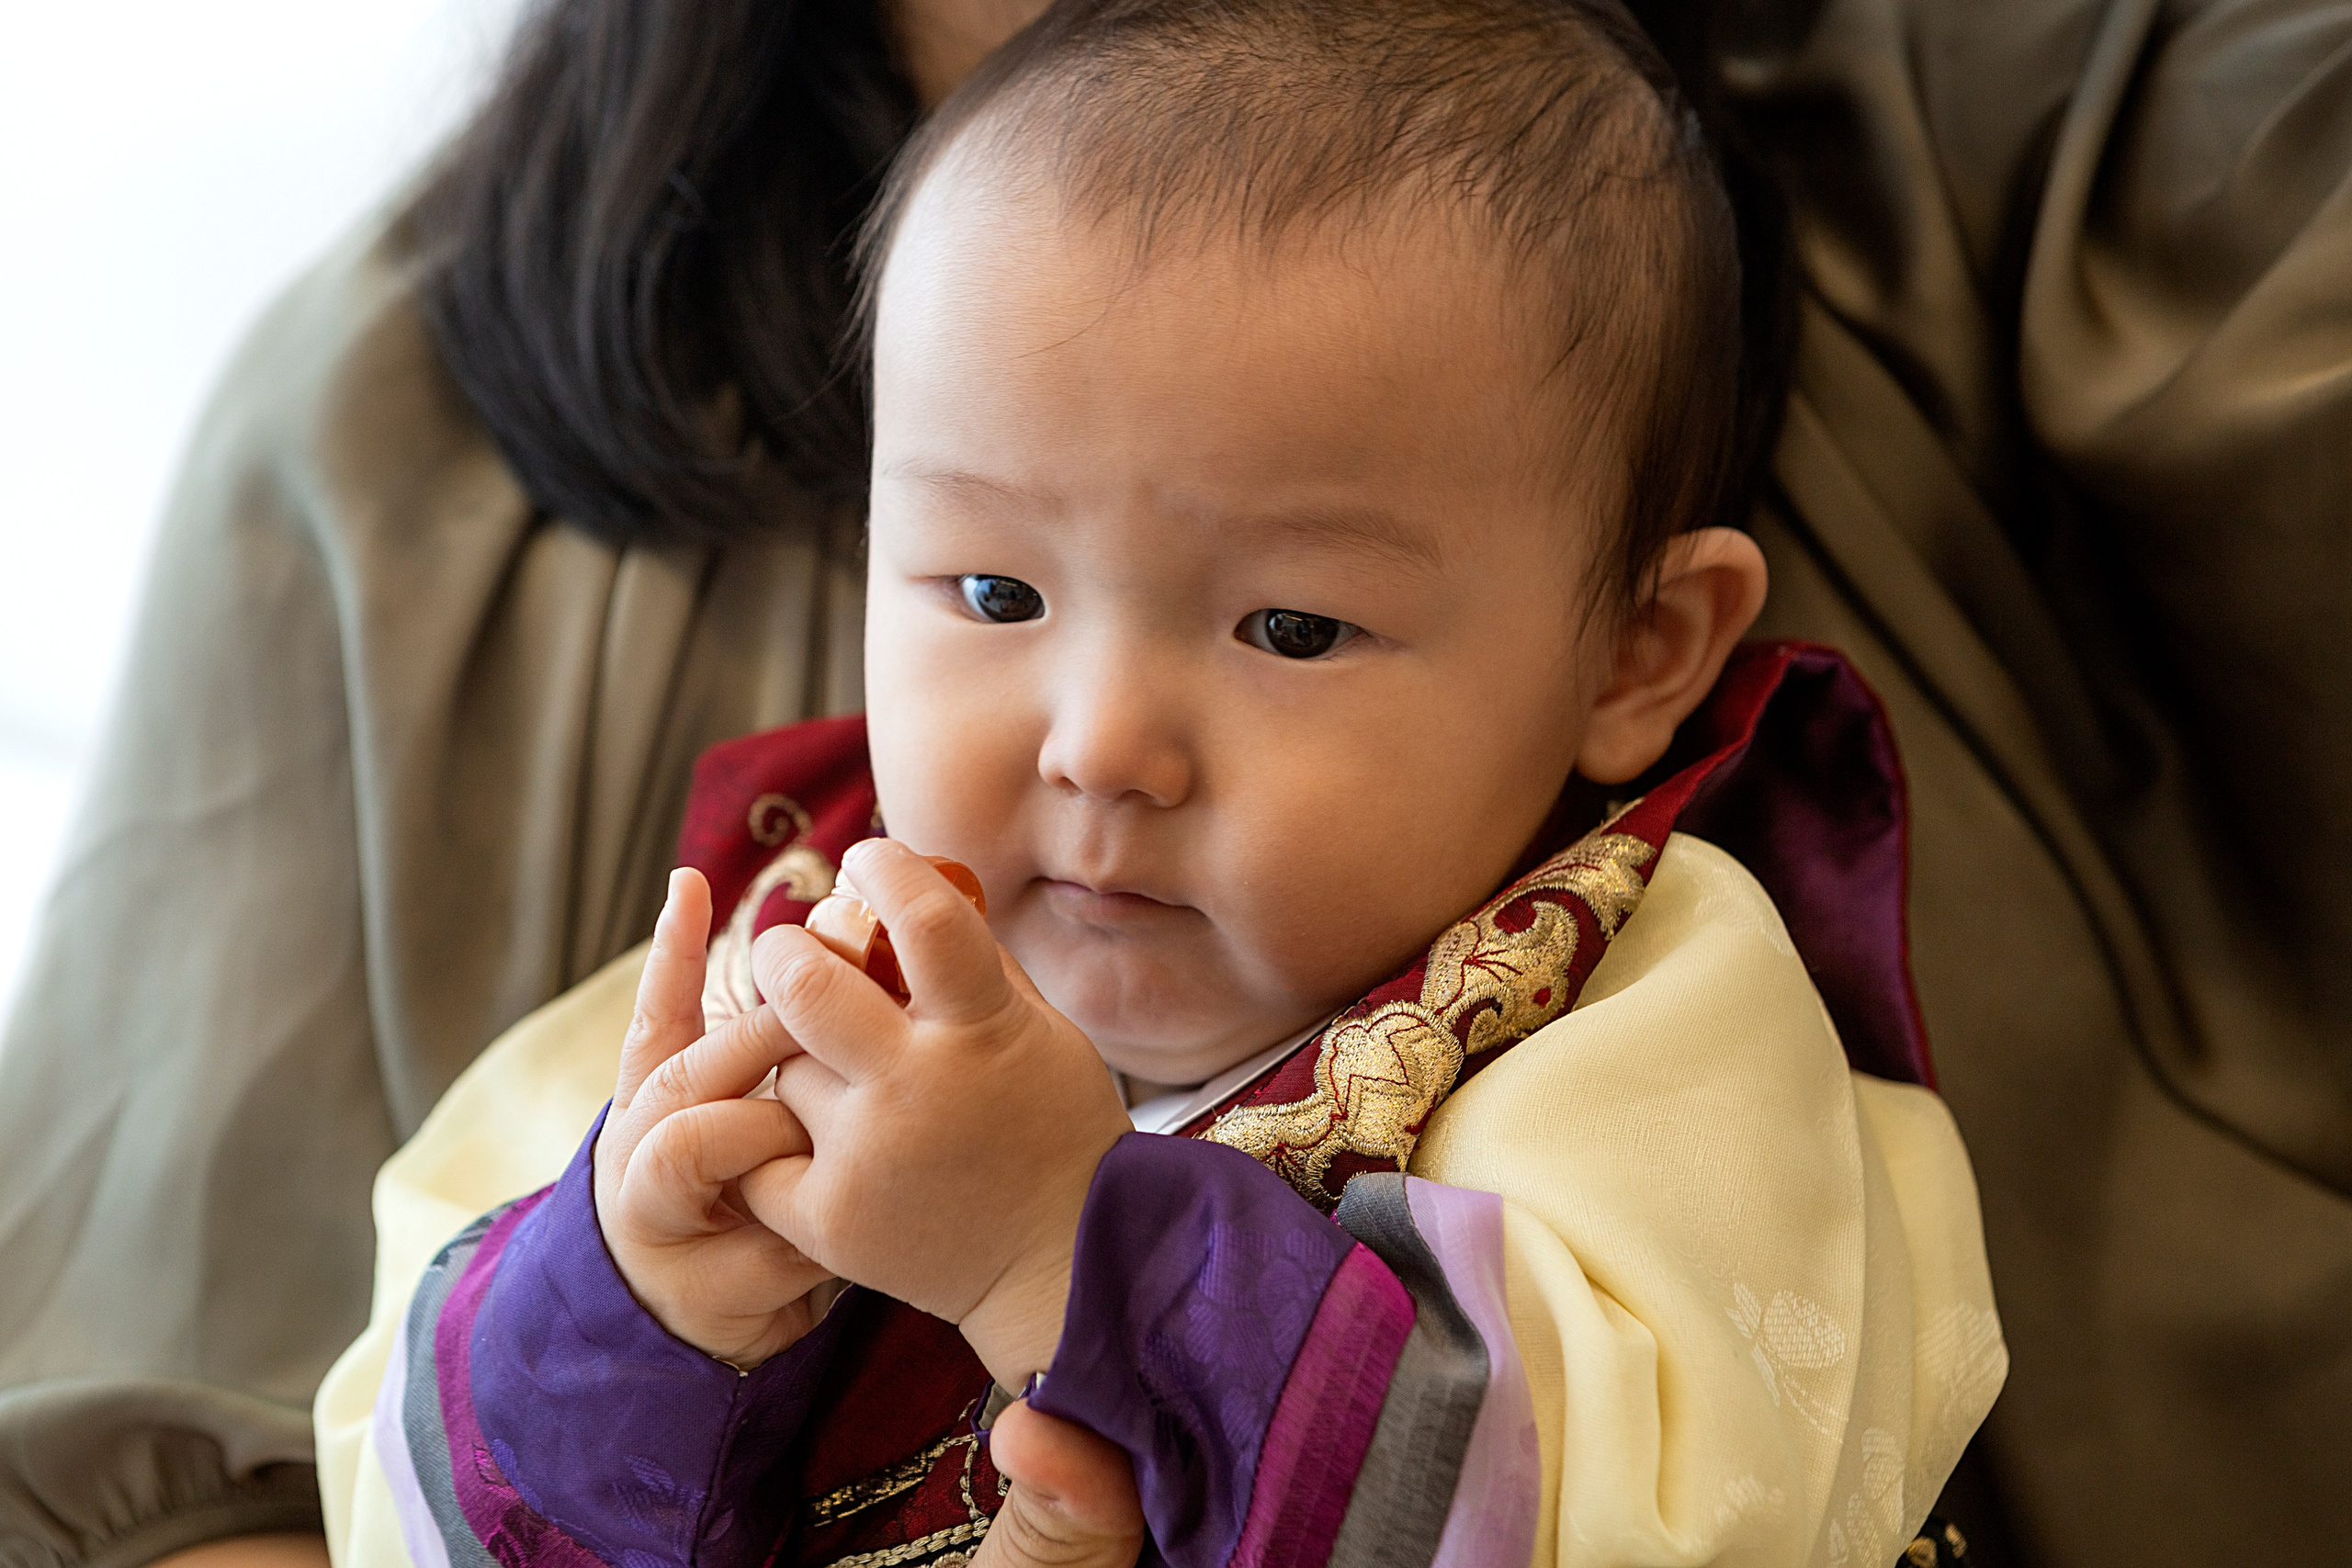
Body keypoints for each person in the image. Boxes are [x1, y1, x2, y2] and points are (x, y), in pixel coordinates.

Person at [315, 4, 2004, 1565]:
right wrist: (630, 1307)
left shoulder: (1649, 1019)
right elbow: (389, 1470)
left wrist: (1074, 1252)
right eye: (994, 596)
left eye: (1292, 623)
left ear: (1638, 652)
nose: (1099, 744)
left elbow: (1655, 1513)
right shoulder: (794, 956)